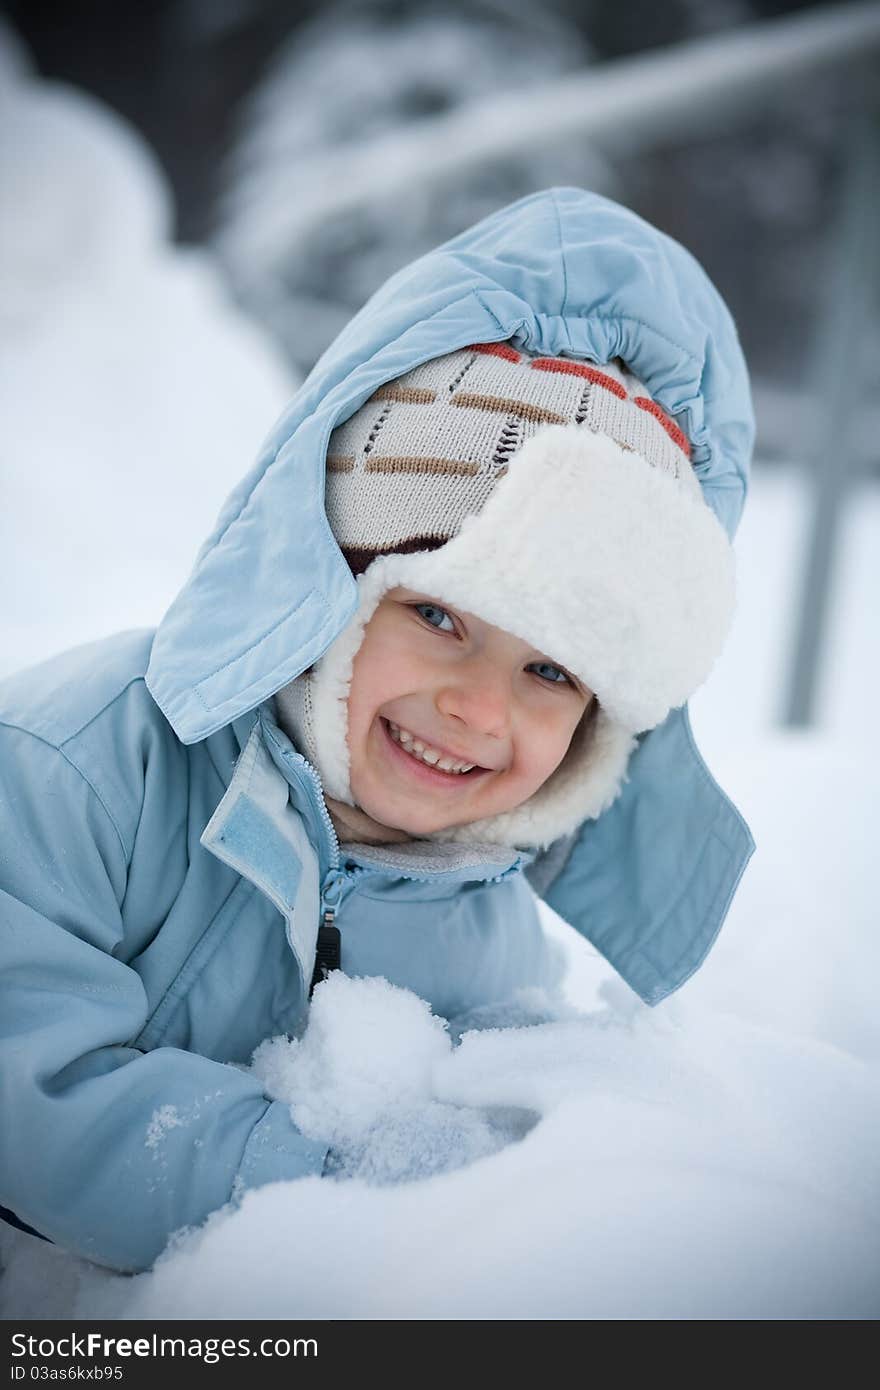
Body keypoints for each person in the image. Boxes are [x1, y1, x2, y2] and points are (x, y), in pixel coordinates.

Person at [0, 187, 755, 1272]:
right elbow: (36, 1099)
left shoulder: (491, 911)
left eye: (551, 668)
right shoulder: (74, 767)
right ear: (330, 584)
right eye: (438, 614)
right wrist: (344, 1190)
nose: (478, 707)